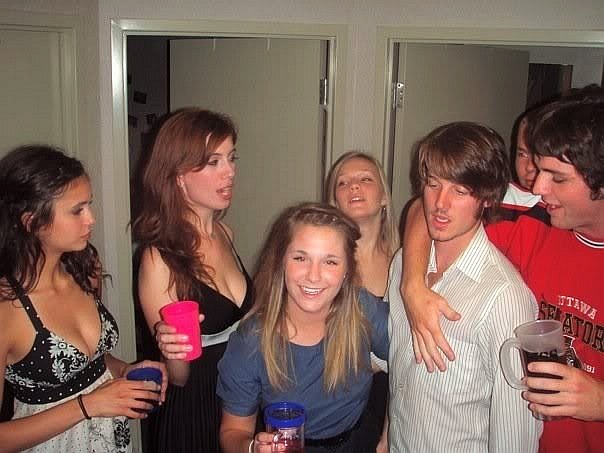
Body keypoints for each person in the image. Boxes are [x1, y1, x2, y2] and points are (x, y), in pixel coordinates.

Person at [399, 93, 604, 452]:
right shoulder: (538, 225)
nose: (538, 188)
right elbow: (429, 206)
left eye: (557, 177)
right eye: (538, 169)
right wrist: (413, 284)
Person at [0, 145, 167, 452]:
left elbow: (92, 361)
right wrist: (88, 405)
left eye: (89, 205)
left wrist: (124, 371)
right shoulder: (6, 307)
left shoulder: (85, 269)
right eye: (77, 210)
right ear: (31, 221)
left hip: (110, 439)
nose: (91, 219)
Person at [387, 122, 541, 452]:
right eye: (433, 184)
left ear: (486, 198)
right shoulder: (403, 264)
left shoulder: (504, 298)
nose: (440, 203)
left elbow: (515, 434)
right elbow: (400, 370)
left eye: (459, 191)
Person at [217, 202, 389, 453]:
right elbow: (233, 432)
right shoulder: (252, 341)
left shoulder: (363, 310)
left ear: (346, 270)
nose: (313, 275)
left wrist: (391, 427)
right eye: (300, 258)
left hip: (360, 442)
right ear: (280, 262)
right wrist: (253, 447)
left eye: (330, 262)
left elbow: (410, 355)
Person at [132, 108, 253, 453]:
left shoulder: (225, 233)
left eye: (231, 158)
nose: (230, 172)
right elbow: (179, 377)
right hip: (196, 409)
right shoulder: (158, 258)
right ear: (177, 175)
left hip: (240, 397)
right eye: (213, 162)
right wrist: (171, 350)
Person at [325, 151, 397, 451]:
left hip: (389, 402)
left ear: (384, 197)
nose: (353, 186)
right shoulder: (323, 264)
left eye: (365, 179)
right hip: (331, 400)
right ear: (334, 203)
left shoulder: (407, 262)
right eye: (343, 183)